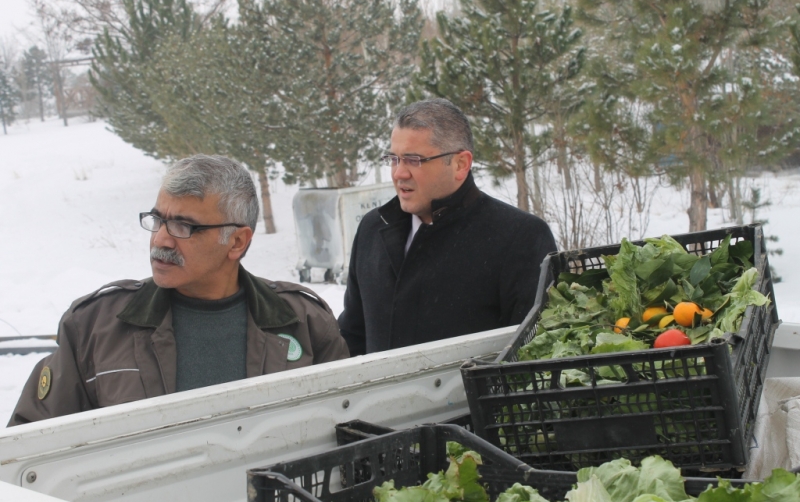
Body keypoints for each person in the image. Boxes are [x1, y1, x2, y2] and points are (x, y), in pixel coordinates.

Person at [8, 155, 349, 426]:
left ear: (237, 241)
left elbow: (348, 433)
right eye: (158, 220)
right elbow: (29, 452)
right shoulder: (93, 327)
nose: (160, 239)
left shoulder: (302, 322)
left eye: (184, 226)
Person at [338, 98, 557, 355]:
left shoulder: (520, 238)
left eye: (413, 160)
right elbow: (352, 336)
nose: (399, 173)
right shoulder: (373, 228)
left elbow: (535, 355)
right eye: (394, 159)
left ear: (460, 164)